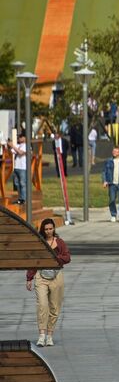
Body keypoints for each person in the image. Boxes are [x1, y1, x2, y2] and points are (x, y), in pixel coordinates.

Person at [26, 218, 71, 347]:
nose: (48, 231)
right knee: (42, 305)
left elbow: (67, 257)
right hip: (41, 276)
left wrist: (56, 258)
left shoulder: (60, 242)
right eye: (46, 229)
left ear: (54, 229)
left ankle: (50, 335)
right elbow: (33, 261)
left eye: (51, 229)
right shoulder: (39, 243)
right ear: (43, 230)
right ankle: (41, 335)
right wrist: (29, 278)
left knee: (55, 307)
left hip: (56, 276)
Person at [10, 133, 27, 205]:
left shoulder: (26, 145)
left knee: (22, 183)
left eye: (20, 137)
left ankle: (23, 199)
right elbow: (12, 151)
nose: (19, 139)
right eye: (18, 137)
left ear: (24, 138)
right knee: (17, 184)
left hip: (22, 167)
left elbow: (20, 153)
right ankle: (20, 198)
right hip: (16, 167)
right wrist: (9, 145)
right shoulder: (18, 145)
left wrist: (13, 146)